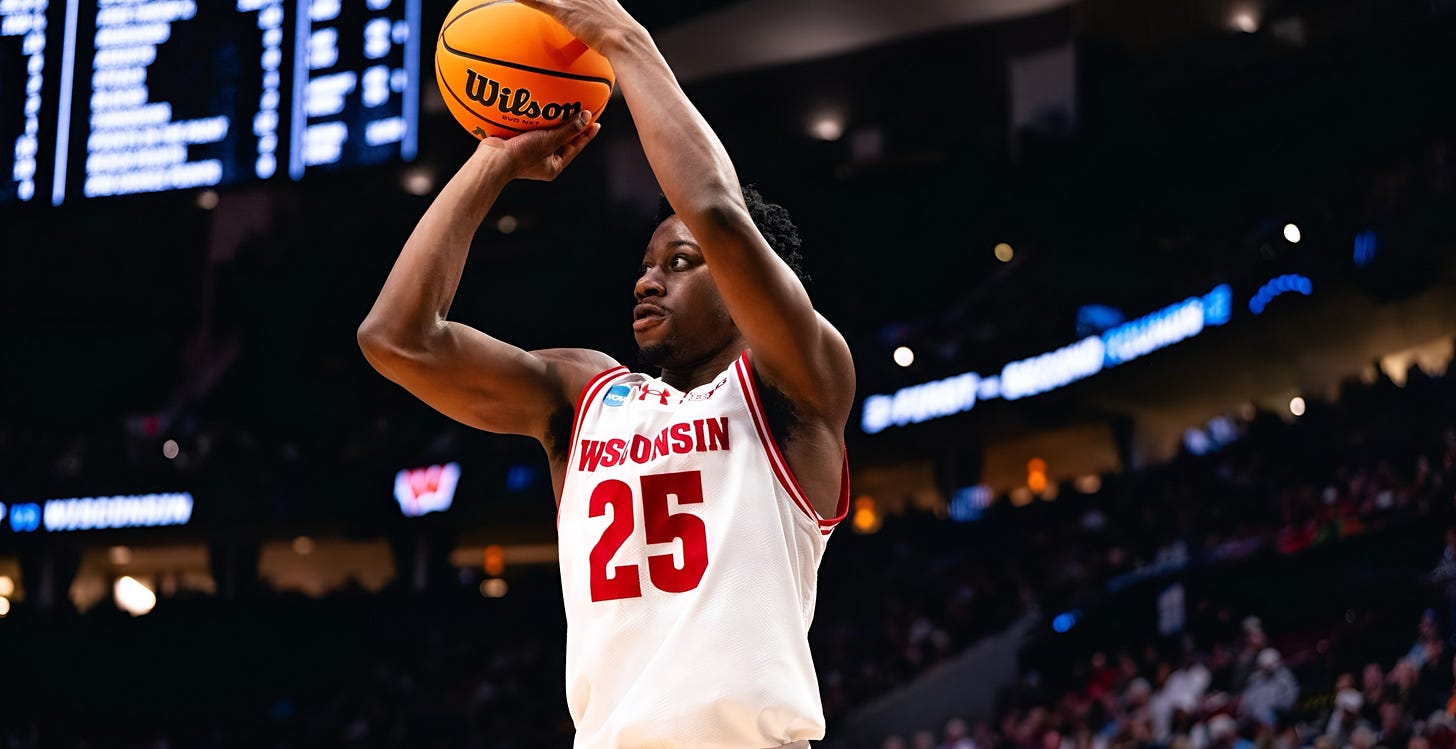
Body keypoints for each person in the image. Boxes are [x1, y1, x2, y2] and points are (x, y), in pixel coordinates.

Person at [356, 0, 855, 745]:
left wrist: (623, 39)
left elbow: (714, 209)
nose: (646, 282)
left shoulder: (796, 383)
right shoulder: (587, 395)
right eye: (646, 264)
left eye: (679, 263)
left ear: (748, 281)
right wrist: (495, 158)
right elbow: (397, 338)